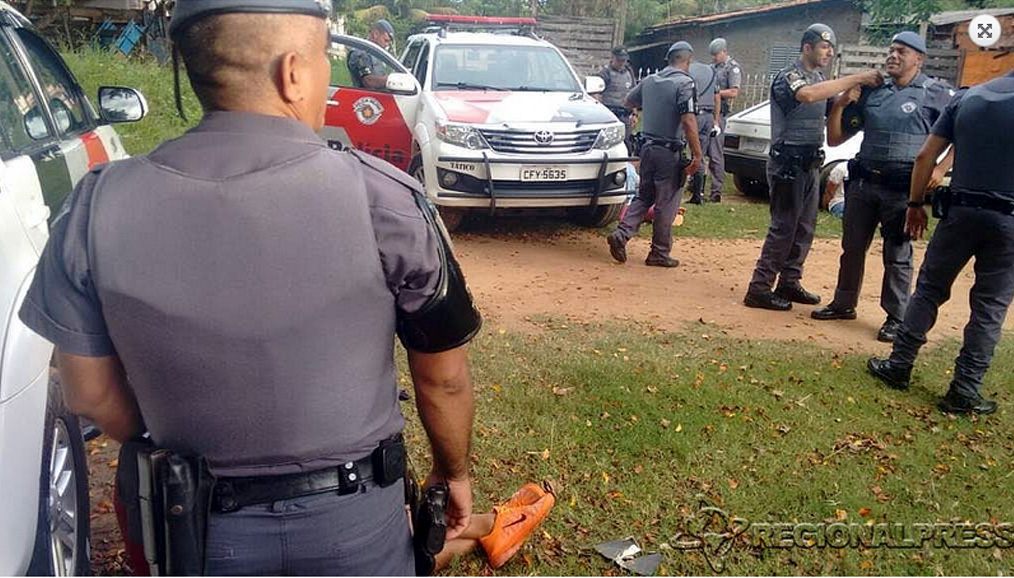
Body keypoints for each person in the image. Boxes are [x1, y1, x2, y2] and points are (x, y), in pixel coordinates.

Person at [18, 0, 482, 574]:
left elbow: (88, 393)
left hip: (194, 529)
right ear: (293, 71)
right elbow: (442, 377)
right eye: (324, 64)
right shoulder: (385, 201)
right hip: (355, 526)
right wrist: (452, 473)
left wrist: (170, 432)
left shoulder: (94, 205)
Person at [868, 69, 1014, 416]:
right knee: (990, 306)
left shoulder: (968, 97)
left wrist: (916, 204)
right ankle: (964, 390)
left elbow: (924, 157)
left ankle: (899, 365)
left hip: (960, 212)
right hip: (1009, 219)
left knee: (930, 289)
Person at [812, 31, 954, 343]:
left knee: (898, 254)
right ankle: (843, 303)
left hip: (902, 188)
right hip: (864, 183)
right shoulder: (873, 92)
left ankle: (896, 316)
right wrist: (838, 105)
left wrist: (941, 168)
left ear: (919, 58)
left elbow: (963, 131)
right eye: (891, 50)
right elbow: (836, 138)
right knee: (852, 249)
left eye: (901, 51)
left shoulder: (935, 93)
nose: (893, 56)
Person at [743, 23, 882, 311]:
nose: (829, 52)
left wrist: (845, 101)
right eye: (823, 46)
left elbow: (830, 107)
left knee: (805, 228)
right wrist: (855, 77)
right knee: (783, 228)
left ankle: (789, 282)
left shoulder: (818, 78)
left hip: (809, 163)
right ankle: (759, 288)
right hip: (787, 164)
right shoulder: (790, 76)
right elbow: (807, 95)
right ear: (807, 48)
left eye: (831, 47)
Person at [606, 41, 702, 268]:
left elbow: (628, 101)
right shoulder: (685, 83)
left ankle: (622, 233)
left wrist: (647, 107)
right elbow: (688, 120)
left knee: (643, 196)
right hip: (669, 151)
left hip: (647, 147)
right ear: (687, 62)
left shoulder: (649, 81)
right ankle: (659, 252)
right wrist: (698, 154)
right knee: (666, 202)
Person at [687, 44, 722, 205]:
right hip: (708, 117)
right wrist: (716, 120)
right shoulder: (710, 71)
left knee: (686, 151)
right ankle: (698, 194)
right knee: (699, 155)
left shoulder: (687, 71)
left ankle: (684, 190)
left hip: (693, 116)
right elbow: (717, 97)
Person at [708, 38, 742, 203]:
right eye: (712, 55)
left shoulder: (732, 68)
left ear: (724, 52)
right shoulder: (711, 68)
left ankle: (716, 190)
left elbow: (734, 92)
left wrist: (716, 94)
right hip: (707, 113)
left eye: (716, 55)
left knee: (715, 153)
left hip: (720, 114)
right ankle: (695, 186)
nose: (714, 58)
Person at [597, 46, 637, 151]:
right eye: (619, 60)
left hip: (625, 115)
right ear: (613, 58)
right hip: (610, 114)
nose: (622, 63)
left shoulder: (629, 72)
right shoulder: (605, 73)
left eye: (624, 60)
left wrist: (634, 114)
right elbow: (597, 94)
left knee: (627, 144)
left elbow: (633, 93)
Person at [349, 18, 395, 89]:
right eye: (385, 40)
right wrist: (392, 79)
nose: (387, 45)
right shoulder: (360, 53)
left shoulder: (377, 53)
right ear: (375, 34)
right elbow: (368, 81)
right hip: (364, 97)